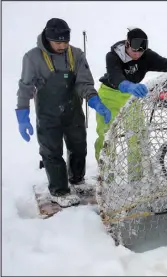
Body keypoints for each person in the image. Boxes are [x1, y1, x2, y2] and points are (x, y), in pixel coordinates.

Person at [15, 18, 112, 207]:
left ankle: (77, 179)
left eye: (65, 41)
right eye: (58, 42)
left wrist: (94, 99)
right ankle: (59, 190)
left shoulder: (76, 54)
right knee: (52, 151)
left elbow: (83, 82)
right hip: (48, 113)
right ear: (47, 38)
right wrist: (22, 115)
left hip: (73, 110)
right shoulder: (32, 57)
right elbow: (25, 87)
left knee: (78, 146)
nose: (63, 45)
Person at [94, 27, 167, 161]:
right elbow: (114, 75)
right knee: (106, 135)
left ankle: (136, 179)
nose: (137, 54)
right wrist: (127, 85)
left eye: (141, 51)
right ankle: (104, 174)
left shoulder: (146, 56)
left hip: (131, 96)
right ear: (127, 44)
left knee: (137, 135)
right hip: (109, 94)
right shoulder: (113, 56)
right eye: (134, 50)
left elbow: (164, 63)